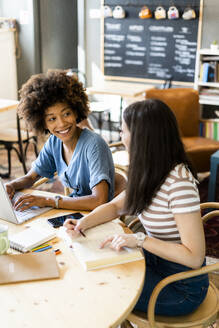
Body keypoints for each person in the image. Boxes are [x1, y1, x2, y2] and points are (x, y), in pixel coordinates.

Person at [64, 99, 209, 316]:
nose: (121, 137)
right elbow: (114, 207)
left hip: (182, 286)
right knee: (100, 266)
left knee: (104, 287)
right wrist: (82, 223)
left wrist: (141, 239)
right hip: (156, 262)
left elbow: (194, 257)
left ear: (142, 137)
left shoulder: (179, 182)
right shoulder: (151, 171)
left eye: (123, 131)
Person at [5, 69, 114, 211]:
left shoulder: (94, 144)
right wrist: (11, 185)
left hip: (99, 219)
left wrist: (48, 200)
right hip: (74, 217)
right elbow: (31, 177)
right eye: (52, 119)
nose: (61, 124)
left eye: (66, 113)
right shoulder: (54, 142)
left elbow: (99, 201)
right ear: (43, 123)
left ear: (76, 111)